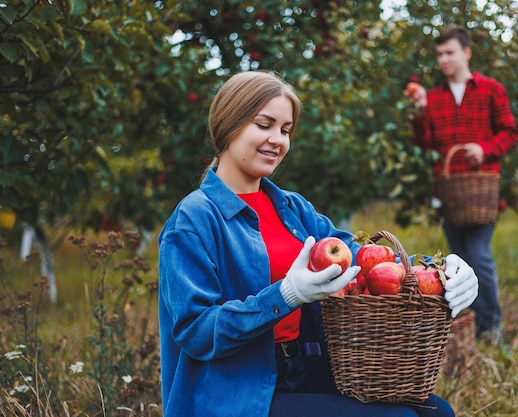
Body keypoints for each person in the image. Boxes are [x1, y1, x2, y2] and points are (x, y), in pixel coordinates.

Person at [158, 70, 479, 417]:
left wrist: (440, 268)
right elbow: (196, 332)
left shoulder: (292, 208)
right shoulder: (194, 220)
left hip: (308, 368)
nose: (277, 140)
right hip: (237, 390)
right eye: (263, 125)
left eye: (285, 130)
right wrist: (283, 297)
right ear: (228, 124)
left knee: (436, 412)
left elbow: (364, 261)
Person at [404, 26, 518, 344]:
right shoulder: (435, 97)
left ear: (466, 53)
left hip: (480, 191)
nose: (443, 59)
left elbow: (509, 131)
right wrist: (417, 111)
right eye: (439, 54)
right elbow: (423, 143)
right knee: (457, 259)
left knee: (479, 255)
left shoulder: (490, 90)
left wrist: (485, 149)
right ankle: (463, 325)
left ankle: (490, 326)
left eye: (449, 52)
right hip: (450, 191)